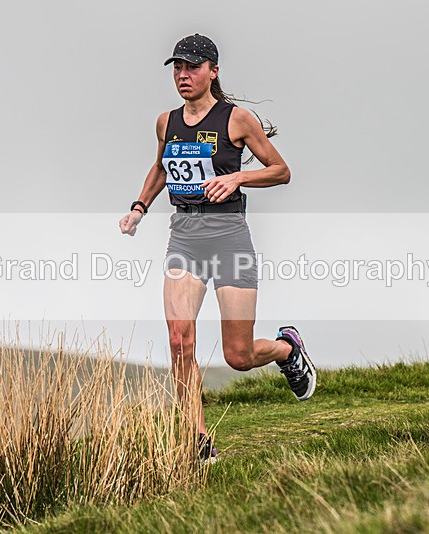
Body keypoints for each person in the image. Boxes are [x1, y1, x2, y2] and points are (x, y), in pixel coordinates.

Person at [119, 33, 316, 463]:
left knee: (239, 355)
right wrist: (139, 207)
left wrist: (237, 178)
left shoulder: (237, 119)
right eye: (178, 68)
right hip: (184, 235)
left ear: (213, 71)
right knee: (179, 339)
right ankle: (197, 439)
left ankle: (287, 349)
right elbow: (160, 167)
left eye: (192, 67)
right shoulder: (165, 121)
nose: (183, 76)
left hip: (229, 236)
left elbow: (281, 171)